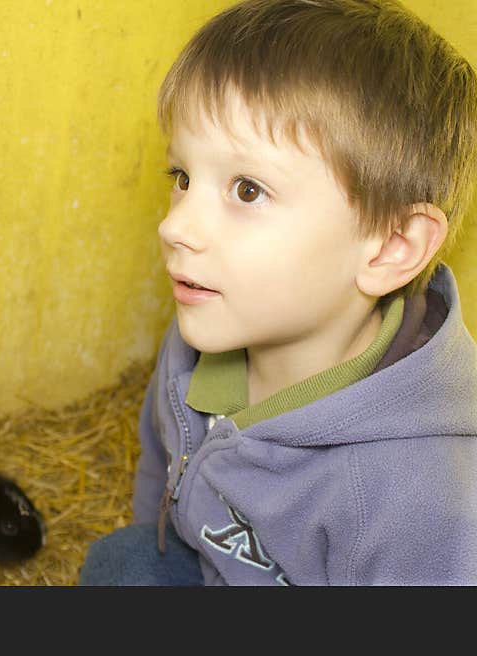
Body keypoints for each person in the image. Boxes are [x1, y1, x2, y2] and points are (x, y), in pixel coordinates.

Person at [79, 0, 477, 585]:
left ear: (391, 247)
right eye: (182, 178)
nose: (174, 227)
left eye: (246, 190)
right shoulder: (201, 336)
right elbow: (159, 471)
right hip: (207, 567)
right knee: (126, 561)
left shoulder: (420, 495)